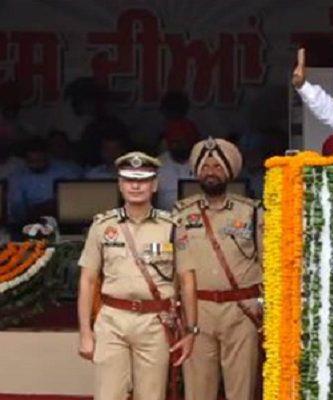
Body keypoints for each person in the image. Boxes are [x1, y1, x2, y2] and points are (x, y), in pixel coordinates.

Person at [77, 151, 198, 400]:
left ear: (154, 185)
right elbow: (87, 281)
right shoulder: (103, 226)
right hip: (112, 319)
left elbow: (187, 280)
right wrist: (85, 333)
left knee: (151, 395)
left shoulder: (172, 227)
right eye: (129, 179)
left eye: (143, 180)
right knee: (108, 395)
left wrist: (190, 331)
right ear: (120, 185)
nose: (136, 185)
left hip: (155, 321)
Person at [174, 137, 263, 400]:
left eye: (217, 166)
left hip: (241, 310)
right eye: (205, 166)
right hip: (197, 310)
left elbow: (269, 261)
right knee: (197, 389)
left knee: (242, 387)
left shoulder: (252, 212)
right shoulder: (180, 213)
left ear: (230, 171)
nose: (210, 172)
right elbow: (175, 267)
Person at [7, 137, 81, 225]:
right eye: (32, 162)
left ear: (48, 156)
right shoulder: (17, 177)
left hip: (63, 220)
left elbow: (77, 199)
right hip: (30, 223)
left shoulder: (67, 171)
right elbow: (17, 209)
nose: (37, 165)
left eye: (40, 161)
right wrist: (40, 209)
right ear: (25, 160)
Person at [156, 119, 199, 210]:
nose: (176, 146)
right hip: (164, 218)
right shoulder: (157, 165)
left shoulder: (204, 163)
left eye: (181, 141)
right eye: (173, 141)